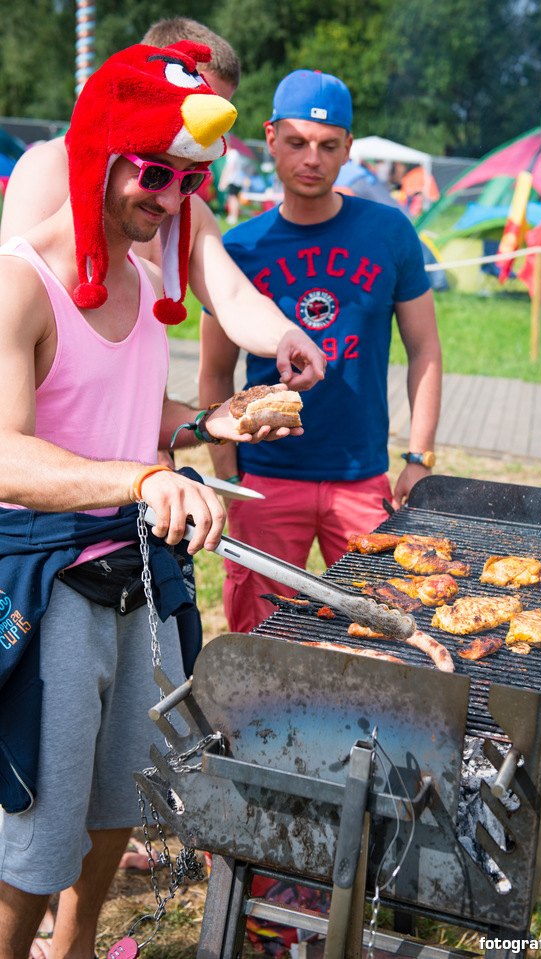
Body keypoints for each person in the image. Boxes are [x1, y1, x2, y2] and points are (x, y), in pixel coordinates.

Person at [0, 43, 316, 959]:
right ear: (98, 150)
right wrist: (143, 478)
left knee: (118, 806)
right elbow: (8, 458)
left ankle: (74, 947)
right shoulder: (20, 282)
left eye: (184, 181)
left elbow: (128, 413)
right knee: (35, 835)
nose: (169, 198)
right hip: (48, 580)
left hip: (140, 573)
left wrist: (206, 419)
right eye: (152, 172)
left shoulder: (139, 281)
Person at [199, 68, 442, 635]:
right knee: (261, 635)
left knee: (383, 627)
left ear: (348, 148)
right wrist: (226, 469)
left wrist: (420, 458)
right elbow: (214, 371)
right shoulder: (239, 247)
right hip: (267, 476)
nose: (312, 158)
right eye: (298, 142)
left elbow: (425, 349)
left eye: (329, 146)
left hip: (361, 475)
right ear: (271, 138)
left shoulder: (389, 232)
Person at [0, 23, 326, 404]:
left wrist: (285, 334)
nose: (202, 132)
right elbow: (17, 317)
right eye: (197, 97)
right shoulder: (50, 167)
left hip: (142, 431)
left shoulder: (187, 203)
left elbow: (233, 298)